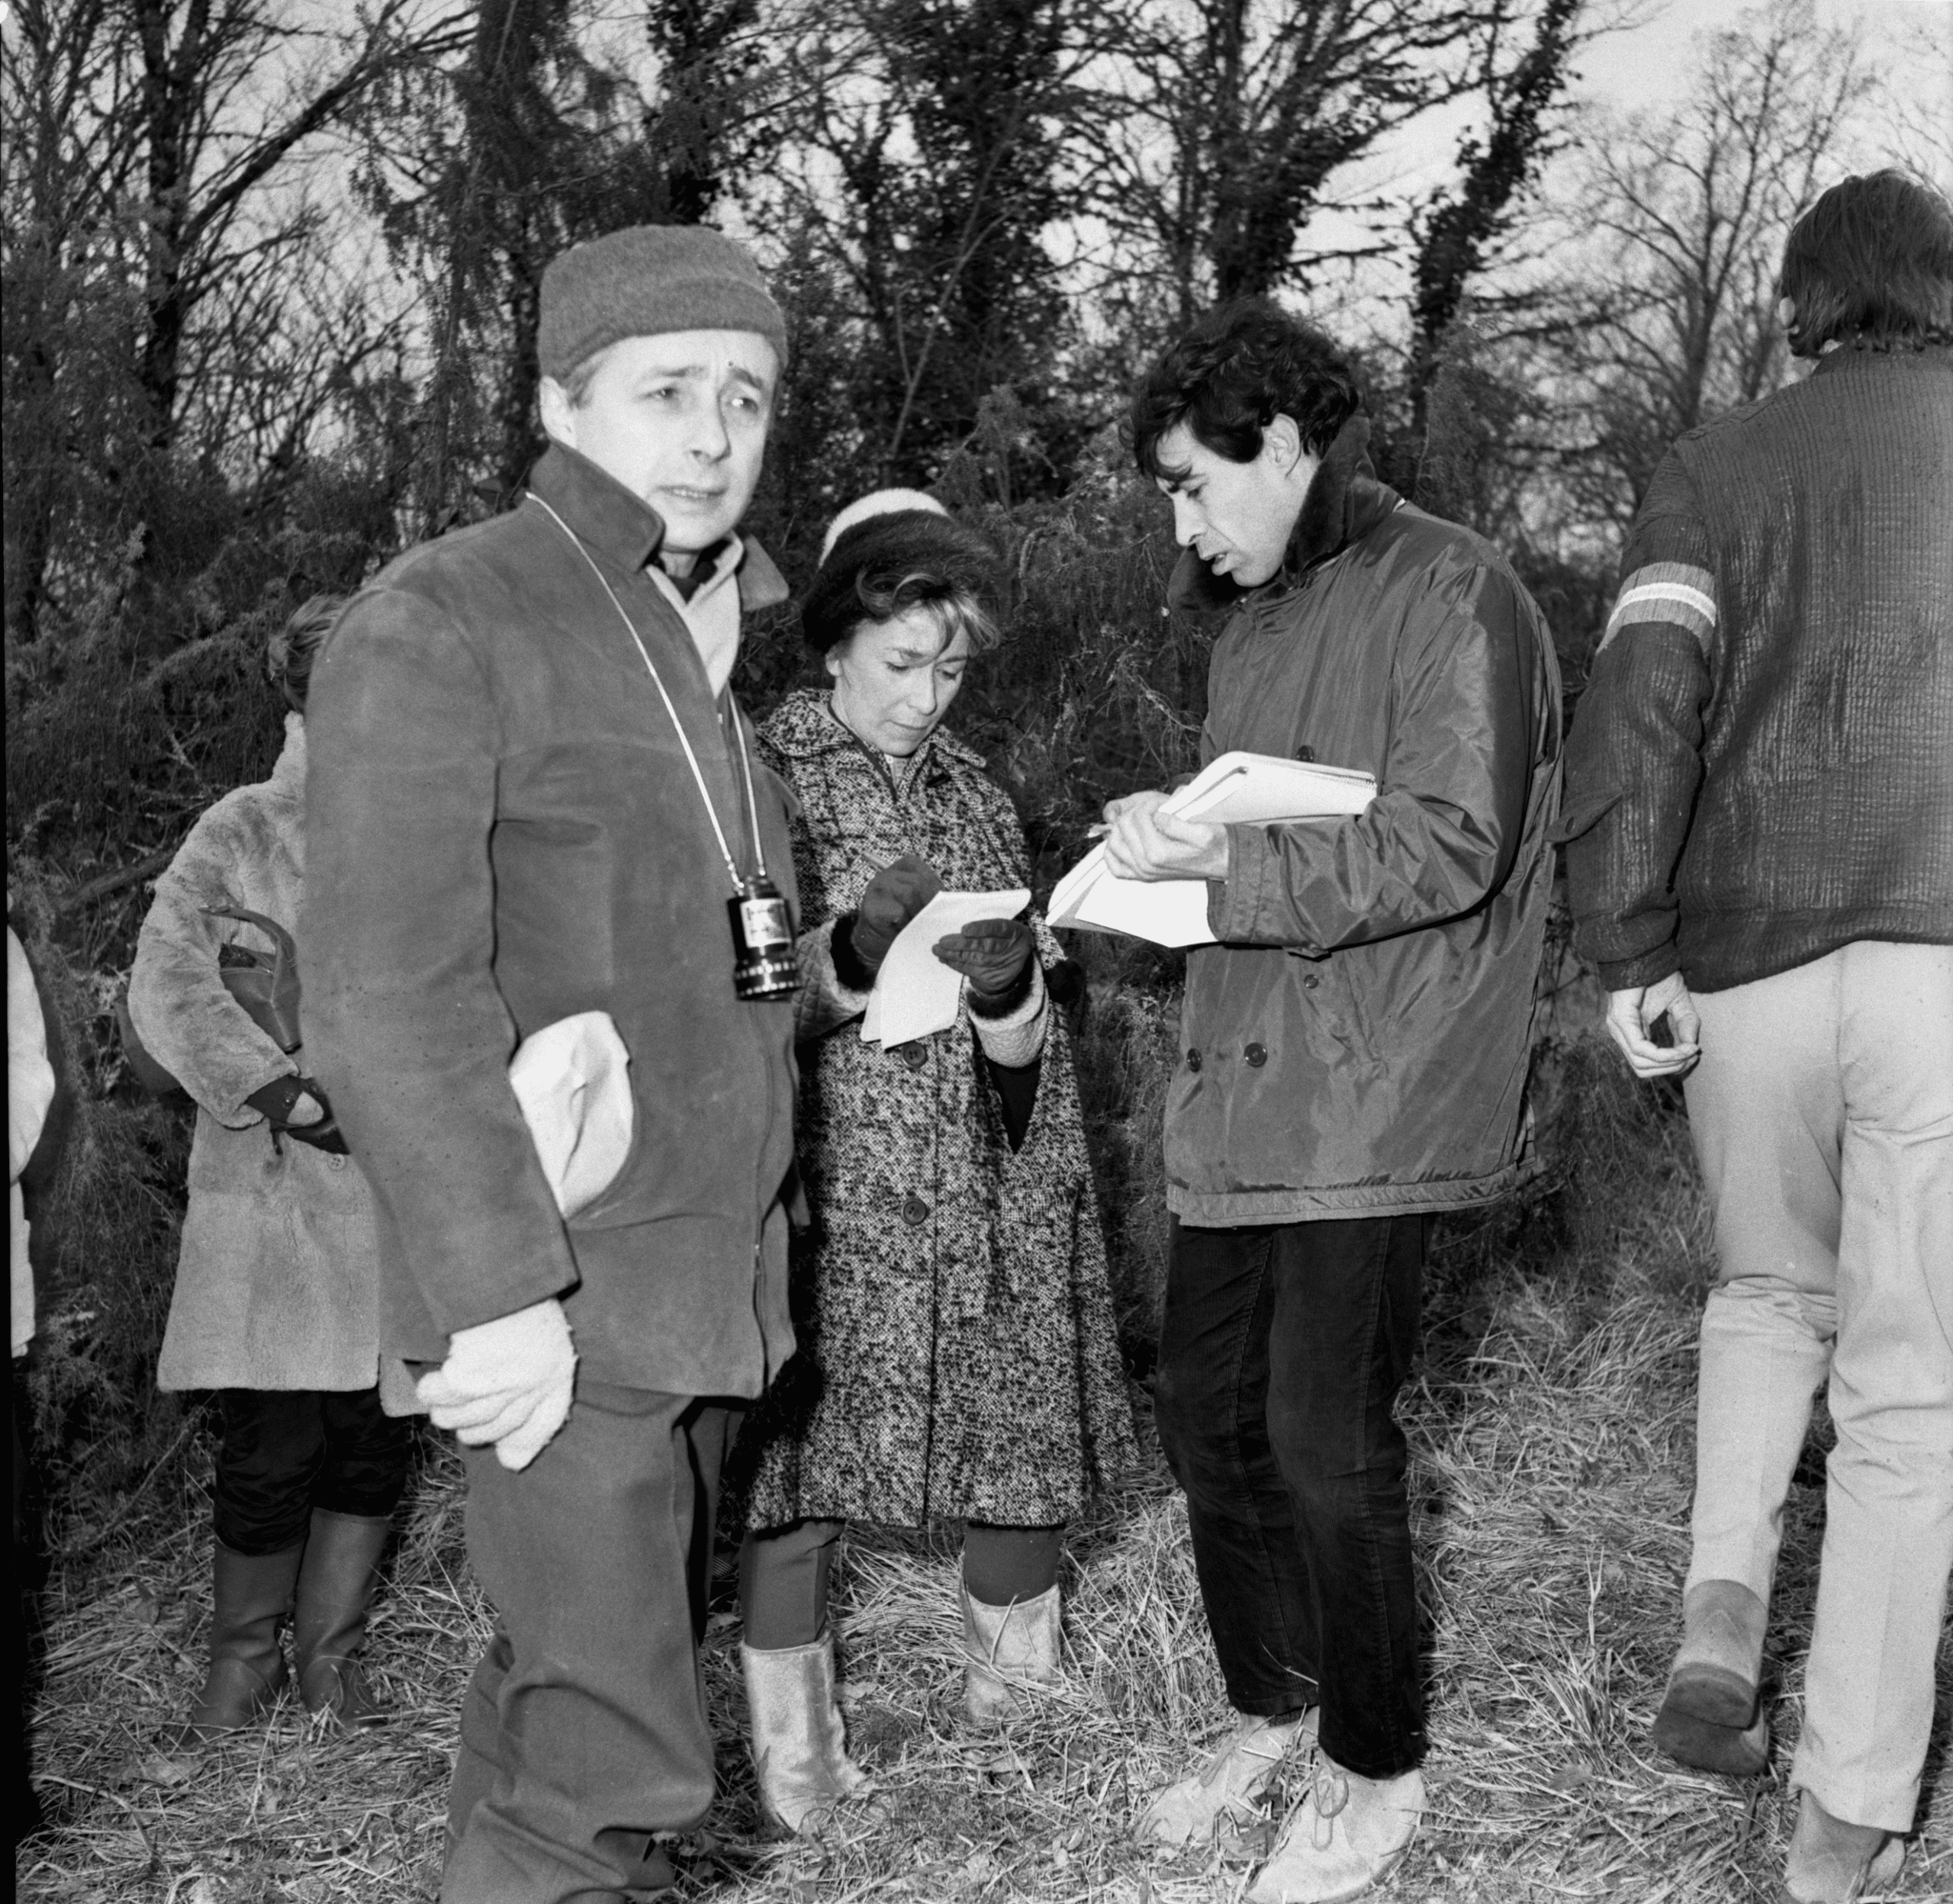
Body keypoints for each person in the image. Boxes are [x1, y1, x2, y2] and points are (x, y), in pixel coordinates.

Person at [302, 224, 800, 1904]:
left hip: (693, 1294)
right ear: (556, 401)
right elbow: (382, 996)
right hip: (565, 1307)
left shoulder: (692, 645)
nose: (713, 433)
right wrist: (500, 1293)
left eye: (745, 394)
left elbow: (703, 966)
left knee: (558, 1725)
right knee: (611, 1771)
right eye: (666, 390)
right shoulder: (449, 615)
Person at [1106, 299, 1562, 1903]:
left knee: (1319, 1436)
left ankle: (1375, 1770)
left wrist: (1226, 861)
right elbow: (1266, 837)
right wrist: (1162, 861)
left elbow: (1454, 840)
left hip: (1378, 1083)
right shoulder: (1250, 621)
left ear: (1284, 444)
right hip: (1247, 1074)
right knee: (1204, 1415)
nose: (1180, 518)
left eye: (1189, 482)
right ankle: (1271, 1710)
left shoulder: (1456, 589)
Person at [1559, 169, 1952, 1904]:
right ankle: (1840, 1814)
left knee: (1758, 1295)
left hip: (1748, 971)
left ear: (1800, 303)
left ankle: (1719, 1606)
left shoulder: (1707, 471)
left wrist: (1620, 940)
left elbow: (1639, 708)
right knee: (1908, 1389)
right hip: (1943, 967)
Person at [729, 492, 1137, 1830]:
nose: (927, 696)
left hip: (984, 1180)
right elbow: (727, 1014)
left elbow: (1030, 1044)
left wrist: (1017, 993)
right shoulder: (758, 775)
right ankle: (801, 1778)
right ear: (836, 641)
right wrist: (846, 956)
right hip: (836, 1185)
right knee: (800, 1472)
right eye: (903, 663)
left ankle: (1014, 1738)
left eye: (952, 668)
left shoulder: (977, 790)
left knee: (1015, 1439)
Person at [126, 597, 417, 1748]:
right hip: (280, 1195)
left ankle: (328, 1667)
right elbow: (168, 980)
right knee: (273, 1442)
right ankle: (239, 1671)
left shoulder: (425, 830)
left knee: (373, 1433)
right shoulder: (241, 828)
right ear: (301, 695)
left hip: (400, 1192)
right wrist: (284, 1093)